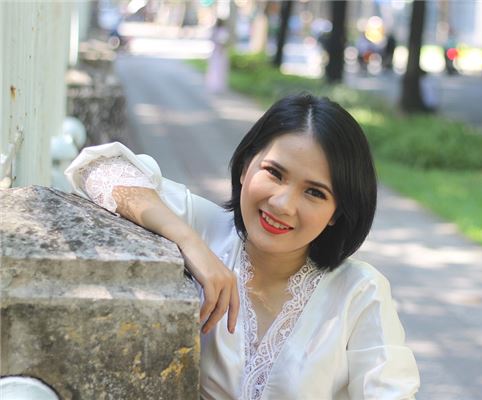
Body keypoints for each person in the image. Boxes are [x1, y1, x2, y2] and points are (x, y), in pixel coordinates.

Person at [65, 93, 420, 399]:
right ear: (245, 167)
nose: (282, 204)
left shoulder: (359, 292)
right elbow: (97, 167)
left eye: (314, 192)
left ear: (335, 214)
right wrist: (190, 243)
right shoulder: (205, 227)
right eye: (274, 173)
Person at [206, 19, 230, 93]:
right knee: (219, 69)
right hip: (220, 52)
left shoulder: (215, 31)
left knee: (215, 69)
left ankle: (215, 85)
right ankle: (217, 85)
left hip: (216, 52)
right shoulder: (222, 31)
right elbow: (222, 42)